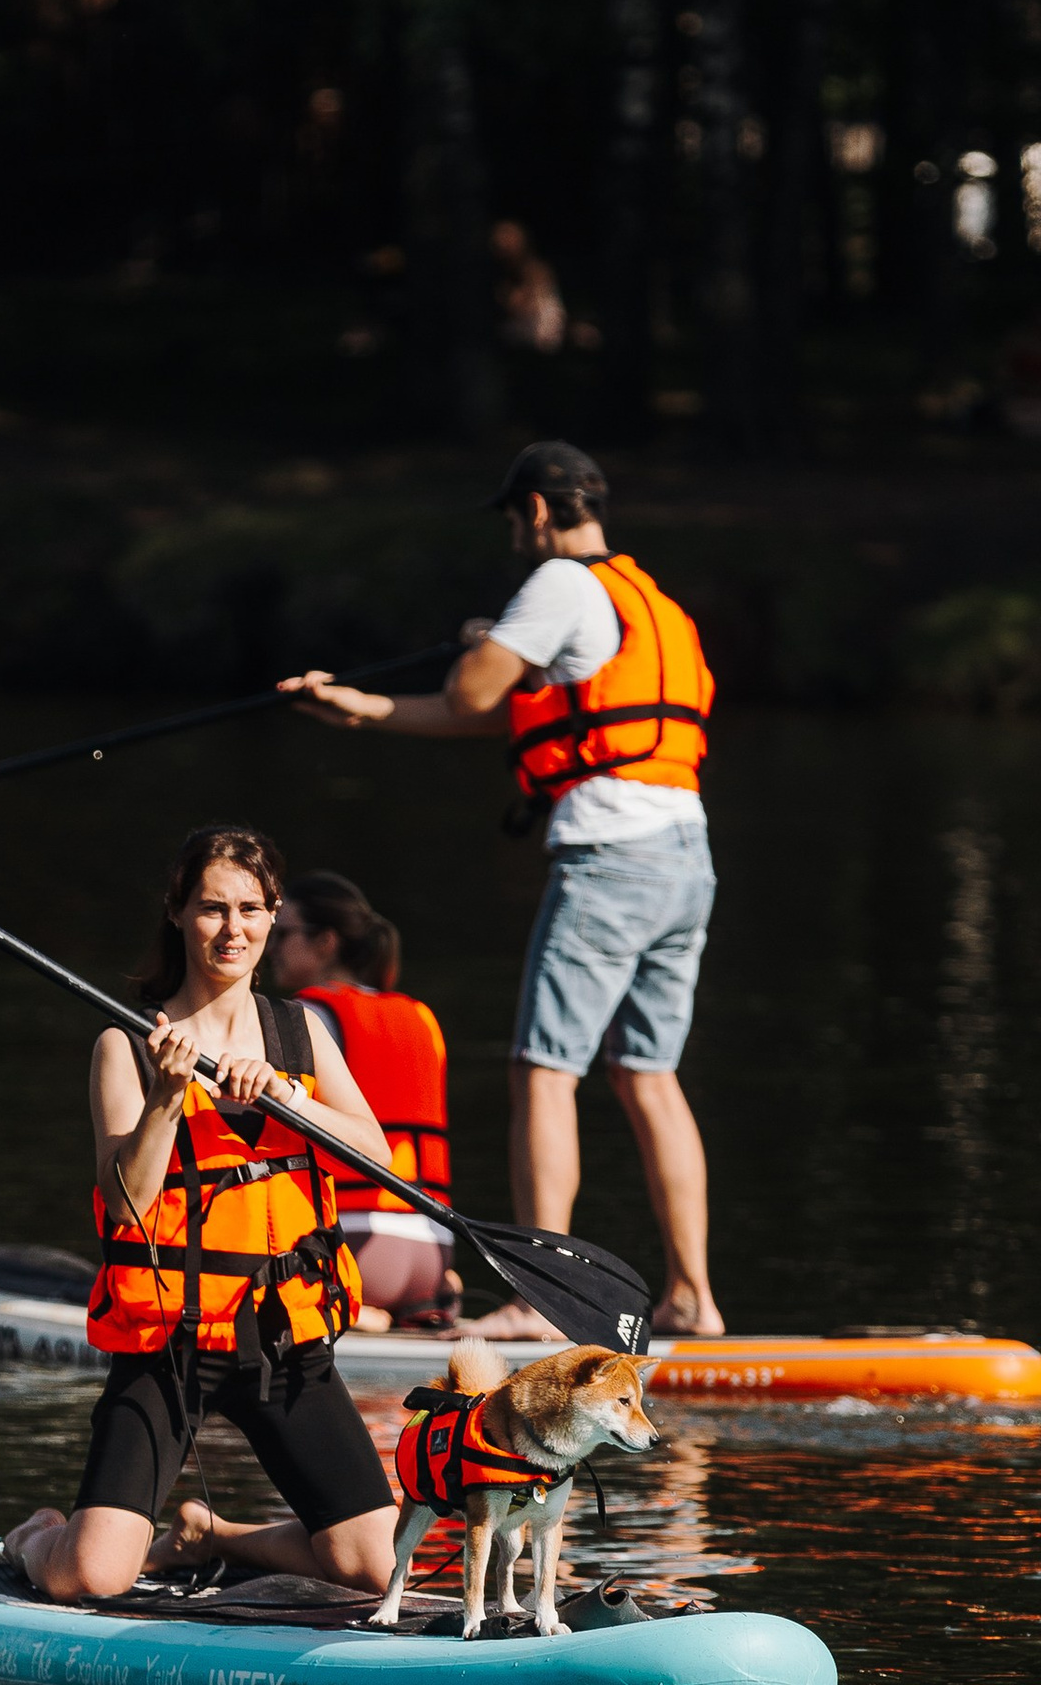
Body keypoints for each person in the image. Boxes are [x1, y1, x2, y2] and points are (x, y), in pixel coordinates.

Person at [282, 440, 724, 1336]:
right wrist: (360, 706)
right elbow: (496, 708)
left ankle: (537, 1300)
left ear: (533, 512)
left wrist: (477, 650)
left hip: (610, 856)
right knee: (649, 1075)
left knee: (542, 1071)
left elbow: (469, 696)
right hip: (687, 855)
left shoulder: (559, 586)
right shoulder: (654, 600)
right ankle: (693, 1298)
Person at [3, 825, 401, 1604]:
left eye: (252, 910)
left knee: (376, 1568)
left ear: (273, 913)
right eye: (213, 909)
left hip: (283, 1338)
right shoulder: (126, 1043)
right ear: (179, 914)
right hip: (168, 1345)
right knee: (88, 1578)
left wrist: (292, 1099)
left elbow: (378, 1159)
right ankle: (33, 1538)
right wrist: (166, 1097)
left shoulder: (302, 1033)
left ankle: (211, 1539)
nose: (234, 929)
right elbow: (126, 1207)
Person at [262, 868, 459, 1330]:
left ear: (325, 942)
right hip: (434, 1252)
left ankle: (355, 1311)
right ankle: (411, 1308)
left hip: (358, 1250)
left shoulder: (306, 1015)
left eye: (282, 934)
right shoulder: (422, 1017)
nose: (270, 948)